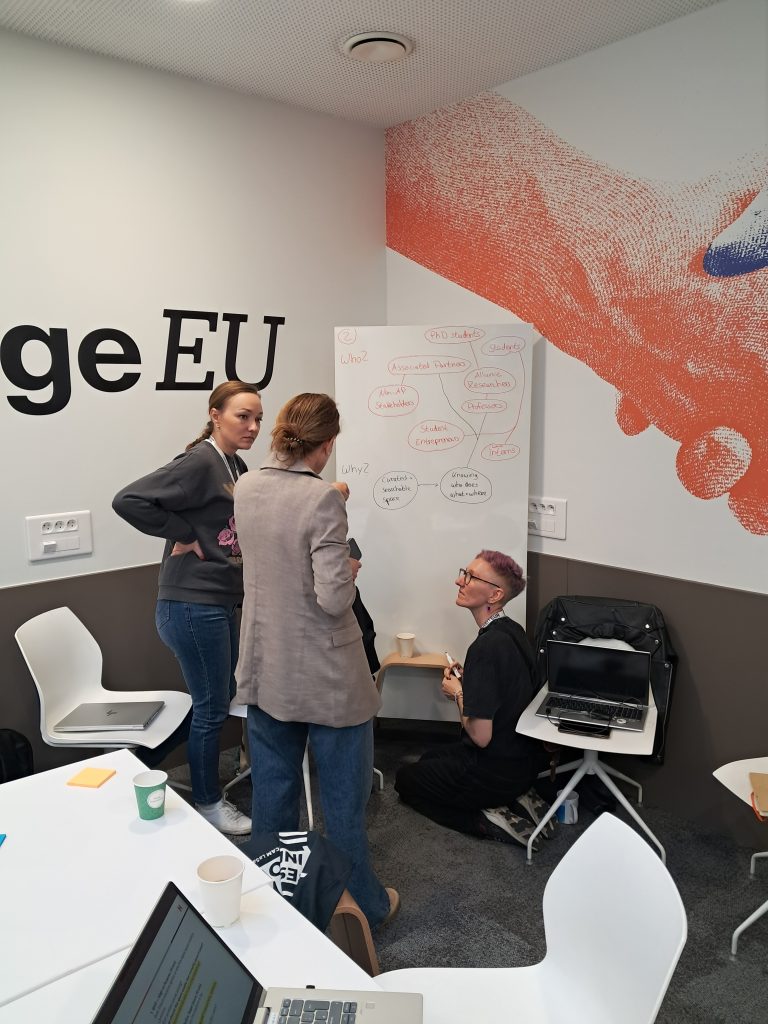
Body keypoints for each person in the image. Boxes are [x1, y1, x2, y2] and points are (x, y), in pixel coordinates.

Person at [234, 393, 397, 929]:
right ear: (325, 445)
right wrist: (349, 564)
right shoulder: (323, 498)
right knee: (344, 805)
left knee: (273, 796)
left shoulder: (247, 486)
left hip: (267, 663)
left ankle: (274, 902)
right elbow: (332, 598)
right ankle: (365, 907)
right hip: (328, 677)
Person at [113, 381, 263, 835]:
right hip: (193, 606)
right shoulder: (200, 461)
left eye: (258, 418)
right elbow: (129, 500)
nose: (253, 426)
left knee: (215, 699)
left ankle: (135, 766)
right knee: (212, 707)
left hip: (219, 600)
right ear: (215, 415)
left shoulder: (235, 464)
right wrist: (183, 533)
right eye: (242, 416)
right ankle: (208, 803)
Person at [394, 551, 553, 849]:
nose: (459, 581)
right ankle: (517, 796)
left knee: (405, 781)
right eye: (463, 573)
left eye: (470, 577)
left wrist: (458, 692)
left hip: (492, 771)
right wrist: (470, 679)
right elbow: (508, 689)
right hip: (523, 765)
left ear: (495, 594)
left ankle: (482, 819)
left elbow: (480, 737)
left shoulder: (484, 648)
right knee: (429, 760)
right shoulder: (513, 631)